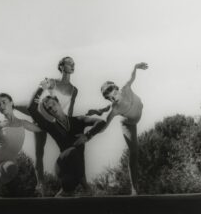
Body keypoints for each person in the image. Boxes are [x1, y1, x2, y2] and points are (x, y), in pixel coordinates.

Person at [75, 62, 148, 195]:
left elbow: (132, 77)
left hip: (137, 109)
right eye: (107, 94)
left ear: (116, 87)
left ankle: (99, 110)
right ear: (108, 98)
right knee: (134, 152)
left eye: (110, 89)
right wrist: (88, 136)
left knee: (109, 108)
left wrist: (136, 67)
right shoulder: (115, 109)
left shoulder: (126, 88)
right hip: (129, 123)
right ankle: (134, 189)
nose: (110, 94)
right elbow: (103, 128)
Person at [28, 78, 106, 197]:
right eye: (49, 109)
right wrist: (40, 88)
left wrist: (88, 136)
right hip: (62, 168)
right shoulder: (51, 126)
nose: (52, 108)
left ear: (59, 104)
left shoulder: (78, 120)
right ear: (49, 113)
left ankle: (64, 192)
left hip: (76, 175)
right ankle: (86, 187)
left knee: (70, 185)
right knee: (72, 151)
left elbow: (101, 122)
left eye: (53, 104)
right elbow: (31, 108)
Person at [15, 56, 78, 196]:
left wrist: (69, 126)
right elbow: (36, 98)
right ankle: (41, 185)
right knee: (39, 153)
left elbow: (70, 110)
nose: (73, 65)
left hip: (55, 121)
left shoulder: (74, 90)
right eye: (69, 63)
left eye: (74, 63)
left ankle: (66, 187)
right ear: (61, 66)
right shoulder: (52, 82)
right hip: (41, 119)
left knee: (68, 150)